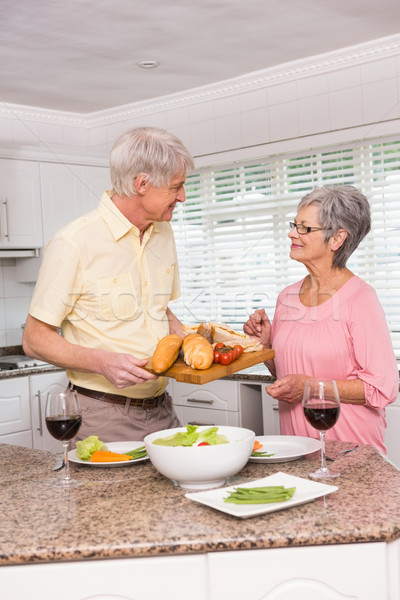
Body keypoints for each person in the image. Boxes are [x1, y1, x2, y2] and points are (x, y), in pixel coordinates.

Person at [23, 126, 195, 442]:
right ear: (142, 184)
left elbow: (159, 309)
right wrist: (103, 362)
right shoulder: (74, 243)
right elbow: (34, 339)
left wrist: (191, 340)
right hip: (101, 415)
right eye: (176, 187)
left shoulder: (163, 232)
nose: (182, 196)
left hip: (162, 410)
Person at [244, 185, 398, 454]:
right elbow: (288, 378)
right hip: (297, 450)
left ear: (337, 239)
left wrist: (312, 387)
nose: (292, 233)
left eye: (305, 228)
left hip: (352, 452)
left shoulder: (360, 299)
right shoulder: (286, 297)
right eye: (294, 225)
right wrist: (266, 349)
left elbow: (382, 388)